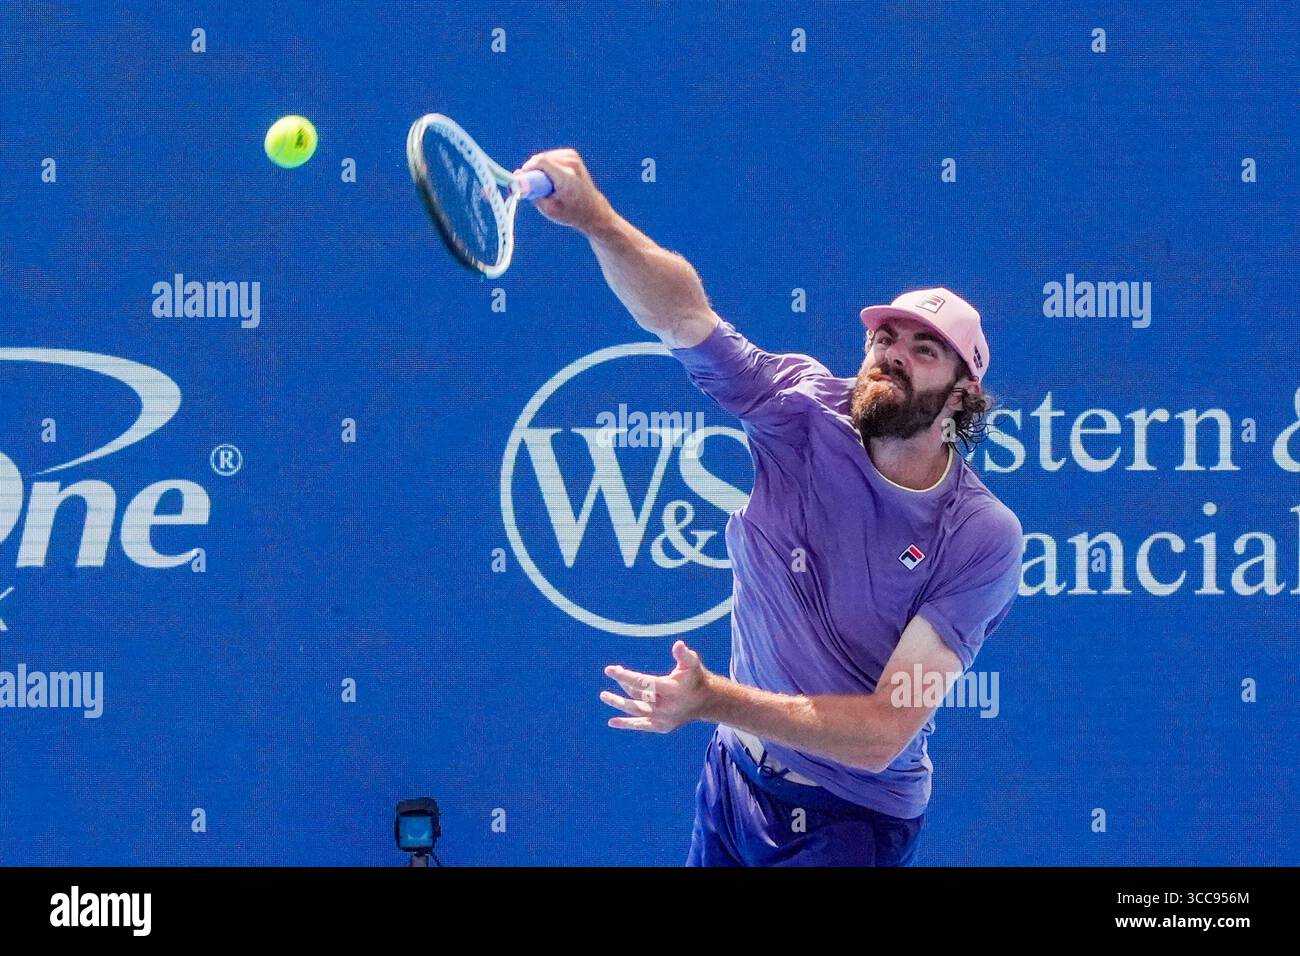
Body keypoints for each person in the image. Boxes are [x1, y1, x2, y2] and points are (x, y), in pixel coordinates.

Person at [514, 149, 1024, 866]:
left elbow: (883, 732)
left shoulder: (979, 537)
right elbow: (685, 316)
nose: (891, 353)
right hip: (732, 782)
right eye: (884, 337)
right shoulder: (800, 411)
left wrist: (711, 700)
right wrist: (598, 222)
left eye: (924, 350)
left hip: (846, 820)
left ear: (963, 398)